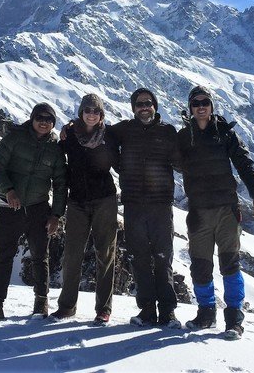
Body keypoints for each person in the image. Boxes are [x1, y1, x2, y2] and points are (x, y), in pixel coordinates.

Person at [176, 85, 254, 340]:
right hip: (199, 211)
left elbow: (244, 162)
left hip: (227, 209)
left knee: (230, 263)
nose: (201, 106)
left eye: (205, 102)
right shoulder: (183, 137)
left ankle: (234, 319)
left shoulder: (225, 134)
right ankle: (206, 313)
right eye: (196, 103)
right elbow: (164, 156)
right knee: (200, 265)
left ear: (212, 106)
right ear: (190, 108)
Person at [0, 103, 67, 322]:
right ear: (32, 118)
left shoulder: (55, 149)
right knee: (4, 256)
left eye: (49, 119)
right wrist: (8, 190)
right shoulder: (14, 138)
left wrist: (56, 215)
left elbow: (61, 184)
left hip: (39, 209)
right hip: (10, 208)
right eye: (40, 118)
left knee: (40, 257)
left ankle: (41, 303)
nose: (44, 122)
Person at [109, 87, 182, 328]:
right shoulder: (124, 130)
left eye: (148, 103)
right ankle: (147, 310)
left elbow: (183, 162)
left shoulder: (168, 132)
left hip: (160, 206)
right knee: (139, 258)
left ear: (155, 105)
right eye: (139, 103)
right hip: (133, 205)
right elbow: (101, 133)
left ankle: (168, 312)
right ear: (133, 108)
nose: (144, 107)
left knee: (163, 258)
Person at [48, 94, 119, 326]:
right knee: (72, 254)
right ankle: (67, 307)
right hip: (77, 200)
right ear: (81, 112)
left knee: (105, 254)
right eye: (87, 110)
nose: (91, 114)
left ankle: (104, 309)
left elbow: (124, 161)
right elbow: (56, 162)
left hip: (105, 200)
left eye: (96, 111)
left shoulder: (109, 137)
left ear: (101, 115)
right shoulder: (69, 136)